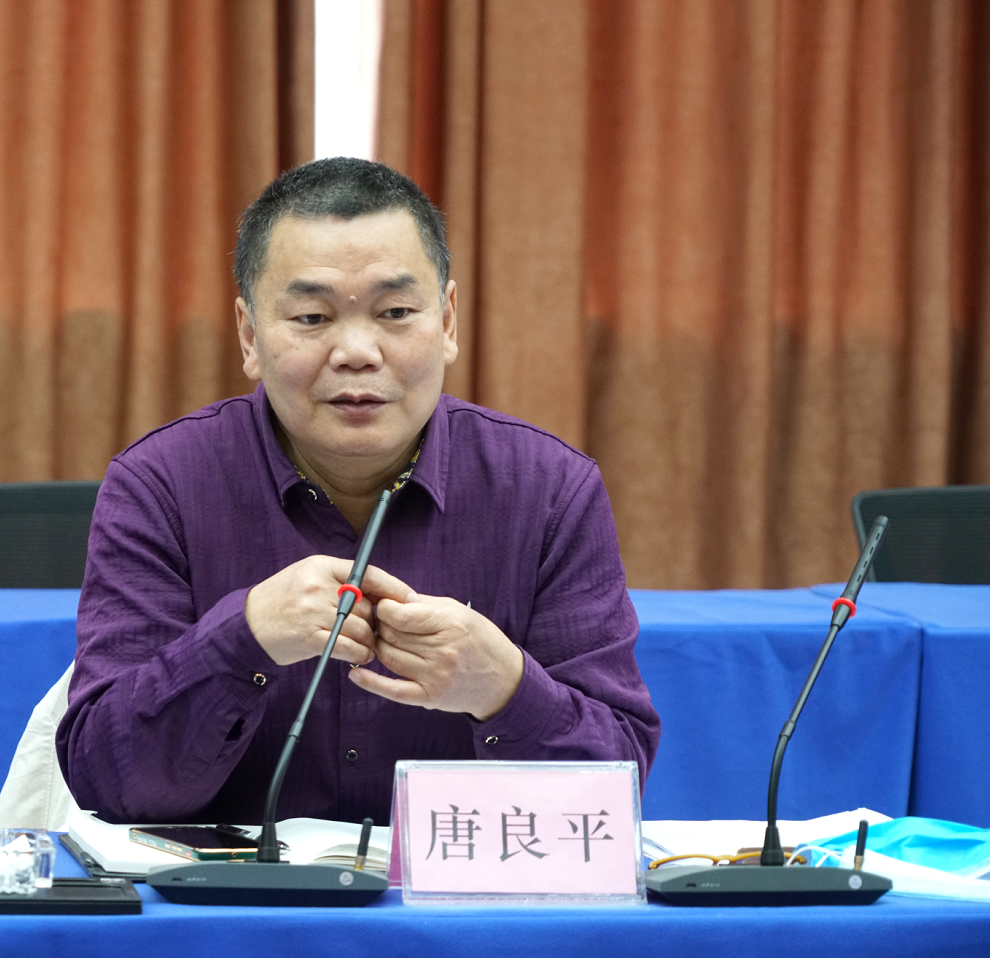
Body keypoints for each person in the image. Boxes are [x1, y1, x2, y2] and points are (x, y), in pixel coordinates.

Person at [56, 157, 659, 826]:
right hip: (233, 892)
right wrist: (242, 638)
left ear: (448, 321)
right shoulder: (161, 486)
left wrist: (503, 689)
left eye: (395, 312)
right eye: (312, 317)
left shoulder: (549, 491)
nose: (357, 351)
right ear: (250, 335)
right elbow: (106, 783)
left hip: (461, 891)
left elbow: (615, 791)